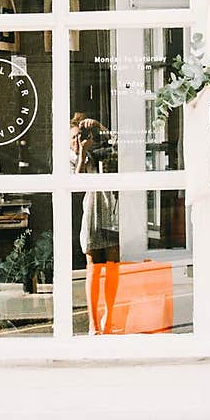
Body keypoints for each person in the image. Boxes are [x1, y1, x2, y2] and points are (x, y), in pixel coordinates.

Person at [70, 112, 122, 334]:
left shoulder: (102, 153)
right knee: (93, 268)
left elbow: (124, 146)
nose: (77, 140)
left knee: (112, 268)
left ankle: (109, 318)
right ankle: (93, 322)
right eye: (73, 137)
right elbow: (75, 185)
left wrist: (101, 127)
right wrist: (82, 153)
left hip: (111, 210)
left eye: (80, 135)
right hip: (91, 212)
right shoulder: (72, 157)